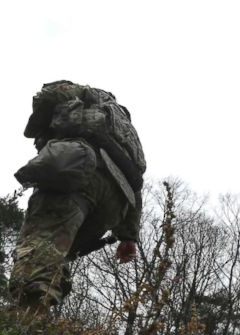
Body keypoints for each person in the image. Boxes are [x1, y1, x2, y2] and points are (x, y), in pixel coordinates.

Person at [9, 81, 145, 315]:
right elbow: (136, 184)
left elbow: (50, 94)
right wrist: (129, 237)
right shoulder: (129, 134)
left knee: (41, 245)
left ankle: (25, 321)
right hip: (113, 205)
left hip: (79, 173)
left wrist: (38, 126)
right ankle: (40, 317)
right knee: (60, 254)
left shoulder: (88, 95)